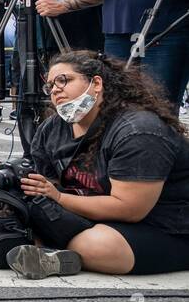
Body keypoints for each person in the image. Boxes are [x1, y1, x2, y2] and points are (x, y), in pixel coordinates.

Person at [12, 50, 189, 277]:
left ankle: (57, 252)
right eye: (50, 85)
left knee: (97, 246)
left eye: (64, 80)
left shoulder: (138, 130)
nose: (55, 89)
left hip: (163, 226)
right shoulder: (53, 127)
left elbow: (130, 209)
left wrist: (59, 198)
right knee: (5, 215)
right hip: (93, 217)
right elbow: (46, 182)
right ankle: (58, 255)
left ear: (96, 83)